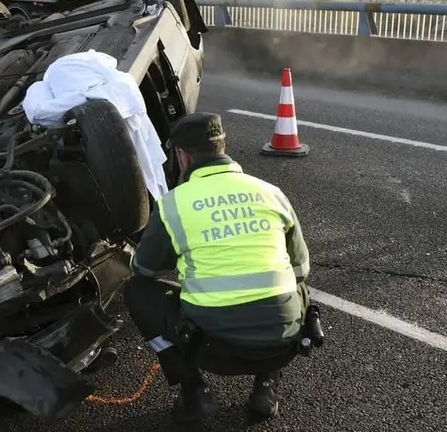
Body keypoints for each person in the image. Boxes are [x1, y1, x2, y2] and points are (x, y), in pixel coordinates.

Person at [124, 112, 313, 423]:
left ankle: (195, 391)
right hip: (283, 342)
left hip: (211, 348)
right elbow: (301, 269)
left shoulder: (174, 204)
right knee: (292, 283)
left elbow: (143, 269)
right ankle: (266, 388)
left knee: (137, 292)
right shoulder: (271, 192)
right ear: (224, 146)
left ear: (182, 156)